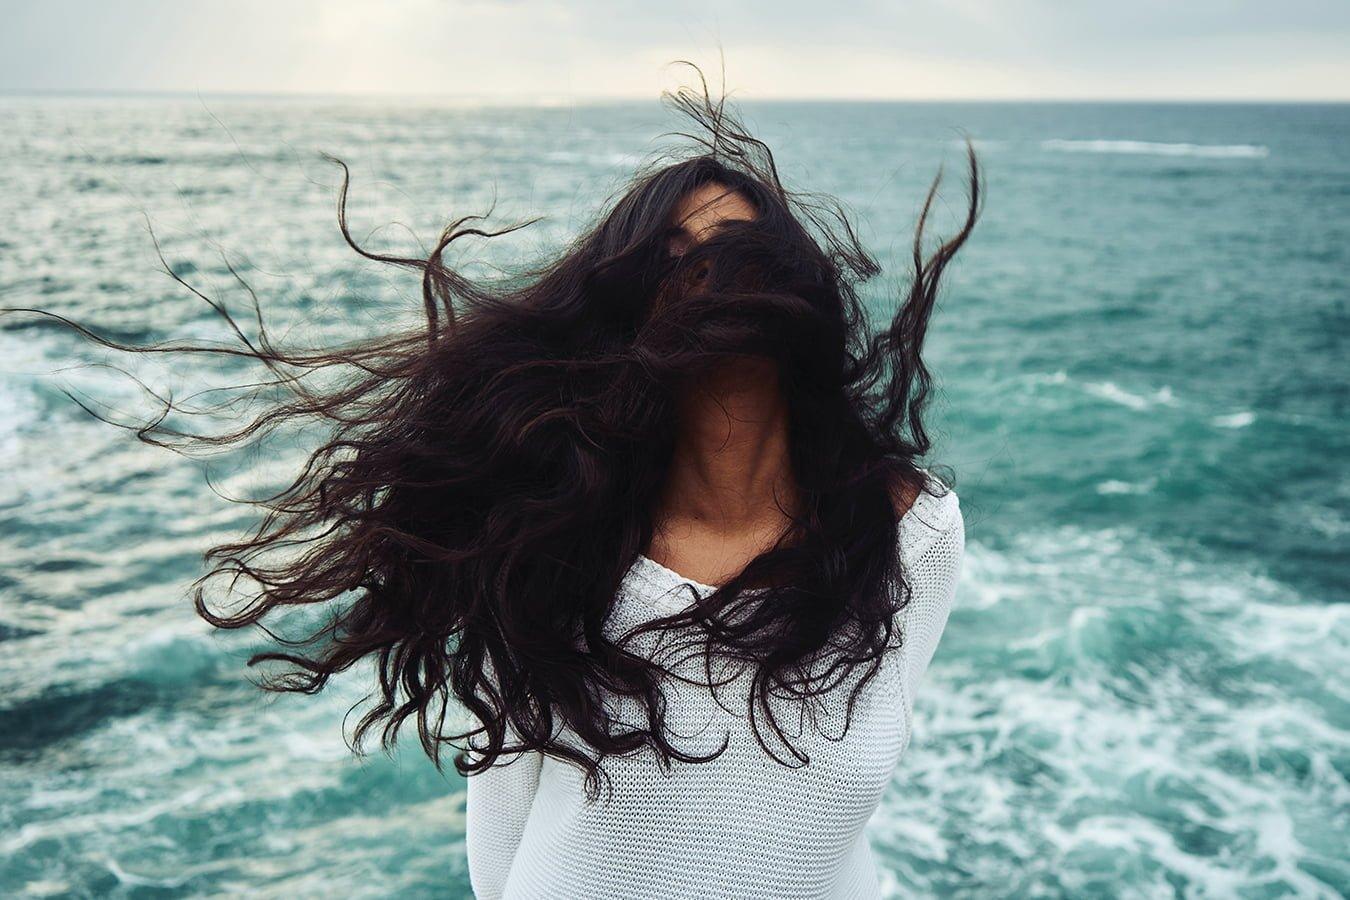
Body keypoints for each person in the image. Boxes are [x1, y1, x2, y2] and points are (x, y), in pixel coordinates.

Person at [7, 70, 981, 898]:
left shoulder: (912, 533)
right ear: (626, 311)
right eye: (671, 262)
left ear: (795, 285)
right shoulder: (563, 539)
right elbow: (503, 821)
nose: (705, 281)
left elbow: (829, 813)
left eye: (732, 252)